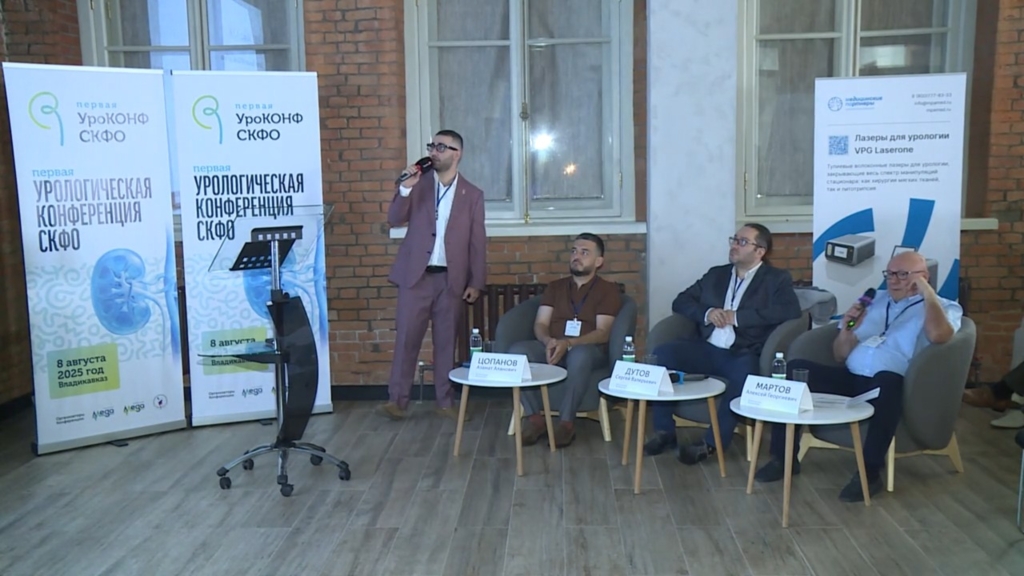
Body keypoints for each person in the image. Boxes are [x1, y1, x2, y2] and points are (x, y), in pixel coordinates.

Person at [755, 250, 963, 502]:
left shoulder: (943, 307)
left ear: (924, 277)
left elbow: (939, 335)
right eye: (890, 274)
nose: (894, 280)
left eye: (903, 274)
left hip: (891, 384)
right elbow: (839, 355)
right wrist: (848, 329)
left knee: (888, 381)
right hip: (851, 377)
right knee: (795, 369)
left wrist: (927, 294)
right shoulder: (873, 300)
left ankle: (870, 473)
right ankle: (783, 458)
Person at [643, 224, 802, 464]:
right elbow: (681, 301)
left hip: (742, 352)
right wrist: (707, 313)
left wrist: (738, 318)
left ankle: (711, 444)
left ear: (760, 251)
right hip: (706, 348)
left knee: (744, 374)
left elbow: (789, 311)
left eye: (742, 242)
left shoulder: (776, 279)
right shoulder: (716, 275)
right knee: (662, 354)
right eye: (734, 240)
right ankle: (665, 431)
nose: (734, 245)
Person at [378, 130, 486, 421]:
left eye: (440, 147)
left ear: (456, 153)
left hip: (451, 279)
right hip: (416, 277)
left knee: (446, 342)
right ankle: (397, 401)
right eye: (431, 146)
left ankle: (445, 402)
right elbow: (394, 219)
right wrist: (405, 189)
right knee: (406, 340)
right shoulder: (419, 184)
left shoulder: (472, 194)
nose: (433, 152)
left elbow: (477, 241)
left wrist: (476, 281)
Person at [509, 233, 622, 447]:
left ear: (599, 261)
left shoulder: (607, 290)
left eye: (584, 252)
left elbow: (603, 332)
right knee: (517, 352)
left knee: (580, 355)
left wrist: (568, 344)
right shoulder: (555, 287)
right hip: (552, 345)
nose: (576, 256)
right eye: (574, 251)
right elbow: (540, 323)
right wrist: (548, 341)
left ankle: (566, 424)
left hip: (588, 349)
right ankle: (535, 420)